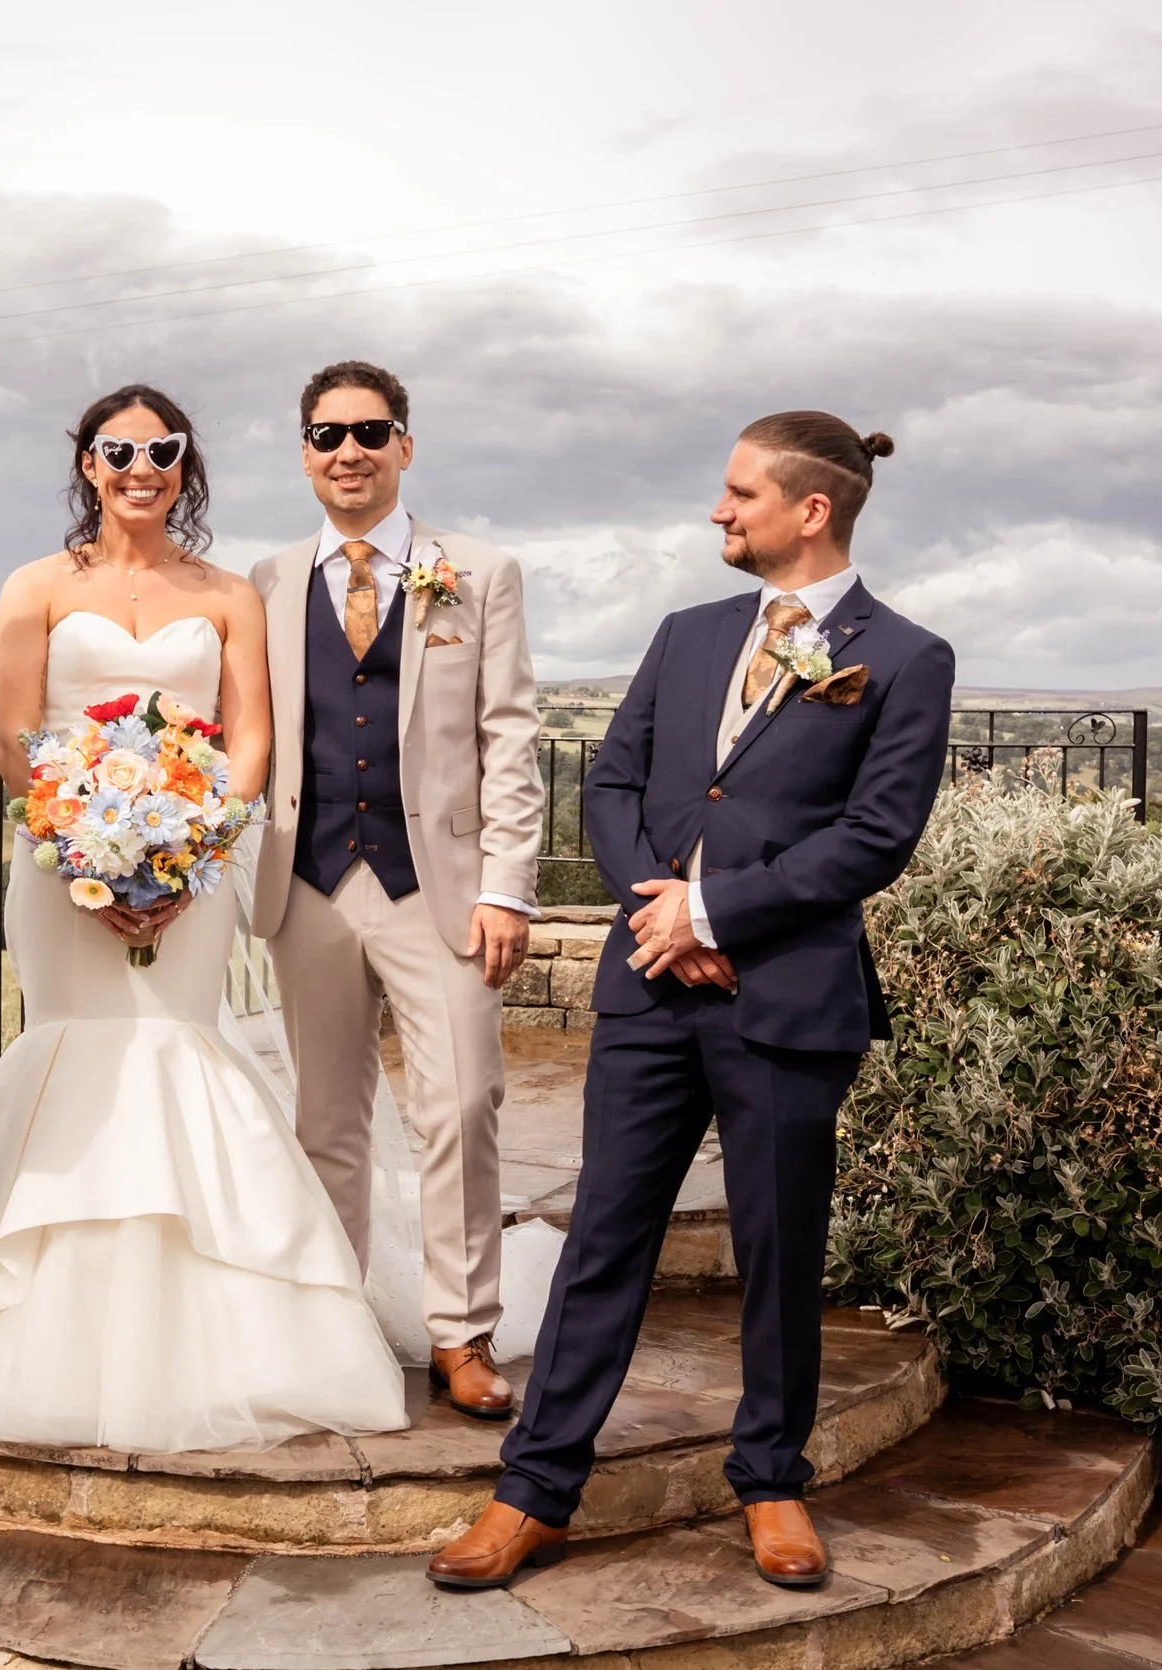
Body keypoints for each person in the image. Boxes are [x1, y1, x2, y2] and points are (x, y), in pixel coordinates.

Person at [429, 413, 954, 1590]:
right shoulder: (687, 632)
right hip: (651, 988)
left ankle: (770, 1480)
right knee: (601, 1239)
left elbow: (875, 835)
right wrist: (662, 915)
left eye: (738, 492)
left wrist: (715, 915)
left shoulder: (908, 656)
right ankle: (532, 1490)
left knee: (779, 1248)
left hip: (787, 998)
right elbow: (613, 783)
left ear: (809, 509)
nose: (718, 509)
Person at [0, 384, 409, 1453]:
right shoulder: (35, 585)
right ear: (88, 462)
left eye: (162, 449)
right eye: (118, 450)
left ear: (185, 466)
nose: (141, 468)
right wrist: (86, 847)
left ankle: (231, 1334)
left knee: (177, 1045)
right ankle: (34, 1326)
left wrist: (196, 850)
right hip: (63, 864)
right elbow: (14, 733)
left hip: (195, 865)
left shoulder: (227, 593)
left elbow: (250, 737)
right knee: (74, 1046)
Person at [248, 361, 546, 1420]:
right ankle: (337, 1324)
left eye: (370, 432)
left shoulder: (479, 571)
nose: (349, 451)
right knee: (325, 1117)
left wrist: (508, 887)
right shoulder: (267, 582)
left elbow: (510, 734)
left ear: (404, 446)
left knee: (460, 1103)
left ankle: (461, 1332)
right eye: (327, 434)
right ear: (304, 454)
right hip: (310, 882)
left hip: (443, 886)